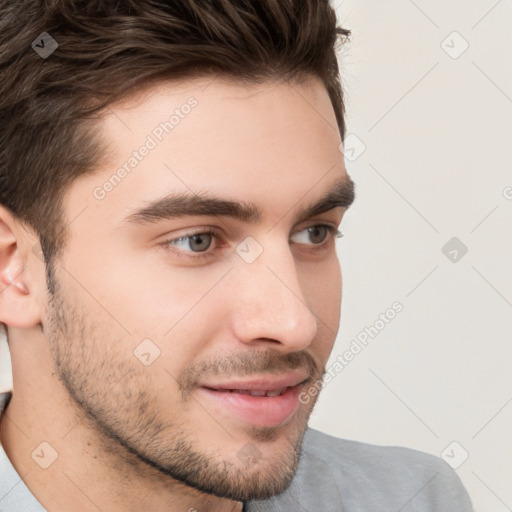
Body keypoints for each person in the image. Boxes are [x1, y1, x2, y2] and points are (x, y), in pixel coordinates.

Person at [0, 1, 474, 510]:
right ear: (14, 269)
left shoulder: (413, 498)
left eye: (314, 232)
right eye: (197, 240)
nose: (295, 323)